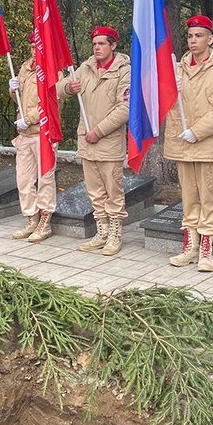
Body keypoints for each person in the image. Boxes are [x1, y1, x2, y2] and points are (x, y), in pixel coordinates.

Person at [164, 15, 213, 272]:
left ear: (211, 38)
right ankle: (190, 245)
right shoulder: (176, 69)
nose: (193, 40)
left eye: (199, 35)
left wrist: (198, 131)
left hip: (206, 143)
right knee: (188, 196)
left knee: (207, 196)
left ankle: (206, 247)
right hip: (181, 142)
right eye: (190, 36)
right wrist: (166, 89)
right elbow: (158, 103)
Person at [57, 27, 131, 255]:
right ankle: (102, 232)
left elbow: (125, 108)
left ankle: (115, 235)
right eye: (95, 44)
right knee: (95, 191)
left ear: (113, 45)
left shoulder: (124, 71)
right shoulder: (86, 67)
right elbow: (58, 89)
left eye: (102, 44)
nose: (97, 48)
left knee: (113, 190)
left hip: (108, 141)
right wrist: (70, 86)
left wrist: (98, 131)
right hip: (86, 140)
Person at [10, 51, 61, 242]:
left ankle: (45, 221)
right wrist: (13, 91)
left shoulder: (52, 70)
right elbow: (20, 101)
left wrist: (29, 119)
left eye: (37, 46)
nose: (33, 51)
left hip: (43, 133)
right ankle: (31, 218)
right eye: (31, 47)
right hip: (24, 135)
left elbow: (51, 102)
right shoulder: (25, 67)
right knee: (23, 180)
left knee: (45, 179)